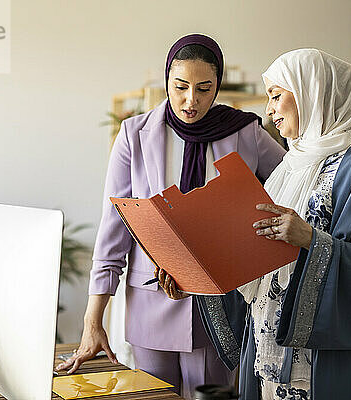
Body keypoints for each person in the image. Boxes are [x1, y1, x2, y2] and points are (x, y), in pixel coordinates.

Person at [56, 34, 286, 399]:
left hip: (219, 306)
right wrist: (92, 320)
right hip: (151, 300)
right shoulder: (134, 135)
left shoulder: (245, 132)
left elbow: (293, 187)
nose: (191, 100)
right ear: (167, 81)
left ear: (218, 86)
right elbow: (114, 229)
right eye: (180, 86)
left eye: (204, 88)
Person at [191, 48, 351, 399]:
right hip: (267, 338)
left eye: (276, 96)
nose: (269, 109)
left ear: (311, 92)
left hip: (324, 357)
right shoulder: (287, 168)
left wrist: (311, 238)